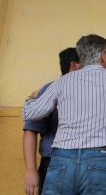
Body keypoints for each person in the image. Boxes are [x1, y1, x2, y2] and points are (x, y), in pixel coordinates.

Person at [22, 34, 106, 195]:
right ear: (102, 56)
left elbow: (29, 113)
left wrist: (31, 98)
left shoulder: (61, 82)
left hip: (61, 160)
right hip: (100, 161)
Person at [23, 47, 81, 195]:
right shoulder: (50, 89)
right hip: (52, 162)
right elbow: (31, 129)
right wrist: (30, 170)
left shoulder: (97, 90)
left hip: (87, 164)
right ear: (74, 65)